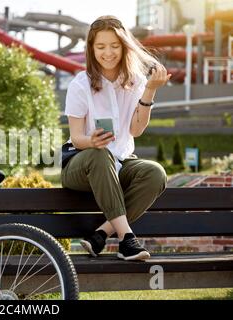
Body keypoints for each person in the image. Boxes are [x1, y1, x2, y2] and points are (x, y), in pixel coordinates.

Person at [61, 15, 171, 261]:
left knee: (155, 173)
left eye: (114, 46)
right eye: (100, 47)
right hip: (80, 165)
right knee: (100, 154)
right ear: (91, 49)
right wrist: (92, 142)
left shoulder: (137, 82)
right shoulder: (81, 85)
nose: (108, 52)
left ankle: (100, 234)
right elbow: (77, 138)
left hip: (120, 162)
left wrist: (150, 89)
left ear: (124, 47)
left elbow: (136, 130)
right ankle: (127, 240)